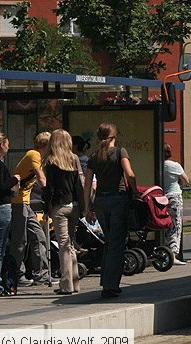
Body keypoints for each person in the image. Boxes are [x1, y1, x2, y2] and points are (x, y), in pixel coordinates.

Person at [83, 123, 136, 299]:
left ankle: (106, 280)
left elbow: (88, 184)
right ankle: (111, 285)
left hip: (100, 202)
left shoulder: (93, 157)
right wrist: (135, 191)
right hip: (117, 199)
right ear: (114, 137)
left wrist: (87, 206)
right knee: (116, 243)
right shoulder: (121, 152)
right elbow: (129, 174)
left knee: (108, 242)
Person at [43, 129, 84, 295]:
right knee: (70, 244)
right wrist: (84, 206)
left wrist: (47, 208)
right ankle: (75, 282)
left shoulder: (51, 161)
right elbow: (79, 185)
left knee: (63, 246)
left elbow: (50, 188)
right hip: (74, 206)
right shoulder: (74, 159)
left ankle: (66, 285)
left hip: (59, 207)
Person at [8, 132, 50, 288]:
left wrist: (40, 191)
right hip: (17, 203)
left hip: (25, 202)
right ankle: (17, 275)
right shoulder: (34, 154)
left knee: (39, 237)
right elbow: (40, 177)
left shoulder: (39, 157)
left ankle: (42, 275)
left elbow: (32, 183)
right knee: (20, 241)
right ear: (46, 145)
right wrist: (48, 192)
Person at [0, 131, 19, 296]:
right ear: (2, 145)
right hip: (2, 208)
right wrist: (14, 179)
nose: (9, 147)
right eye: (7, 144)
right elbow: (1, 186)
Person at [162, 144, 189, 264]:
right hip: (175, 196)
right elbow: (186, 180)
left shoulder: (157, 165)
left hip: (161, 197)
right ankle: (173, 254)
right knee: (176, 225)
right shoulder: (174, 165)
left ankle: (164, 252)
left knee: (165, 225)